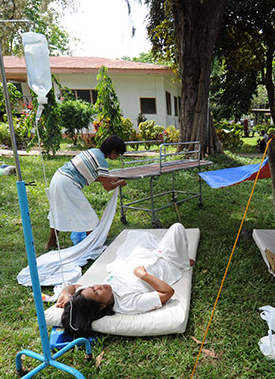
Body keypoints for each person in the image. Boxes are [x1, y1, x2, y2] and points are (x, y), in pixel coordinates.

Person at [56, 223, 194, 338]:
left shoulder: (92, 294)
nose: (99, 286)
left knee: (137, 235)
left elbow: (74, 287)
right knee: (177, 228)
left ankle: (165, 251)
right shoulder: (127, 303)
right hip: (164, 263)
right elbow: (167, 293)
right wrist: (143, 276)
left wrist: (65, 293)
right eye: (97, 292)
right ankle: (181, 261)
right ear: (102, 306)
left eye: (93, 287)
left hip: (138, 258)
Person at [46, 135, 128, 250]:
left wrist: (110, 177)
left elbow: (90, 175)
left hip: (58, 178)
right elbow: (108, 187)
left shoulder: (93, 152)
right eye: (118, 154)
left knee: (58, 211)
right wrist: (120, 183)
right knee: (89, 216)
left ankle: (51, 242)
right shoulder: (102, 162)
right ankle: (93, 247)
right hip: (68, 184)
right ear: (113, 151)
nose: (118, 157)